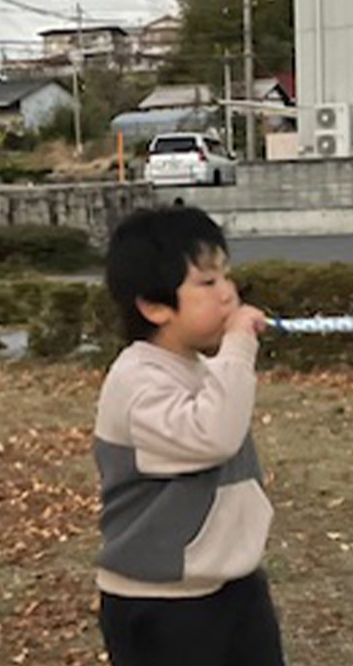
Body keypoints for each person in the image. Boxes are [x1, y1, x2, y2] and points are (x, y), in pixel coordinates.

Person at [92, 205, 284, 666]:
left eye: (227, 277)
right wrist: (238, 346)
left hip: (229, 584)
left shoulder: (197, 366)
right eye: (207, 283)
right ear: (155, 305)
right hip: (162, 601)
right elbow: (212, 436)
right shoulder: (136, 380)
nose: (228, 296)